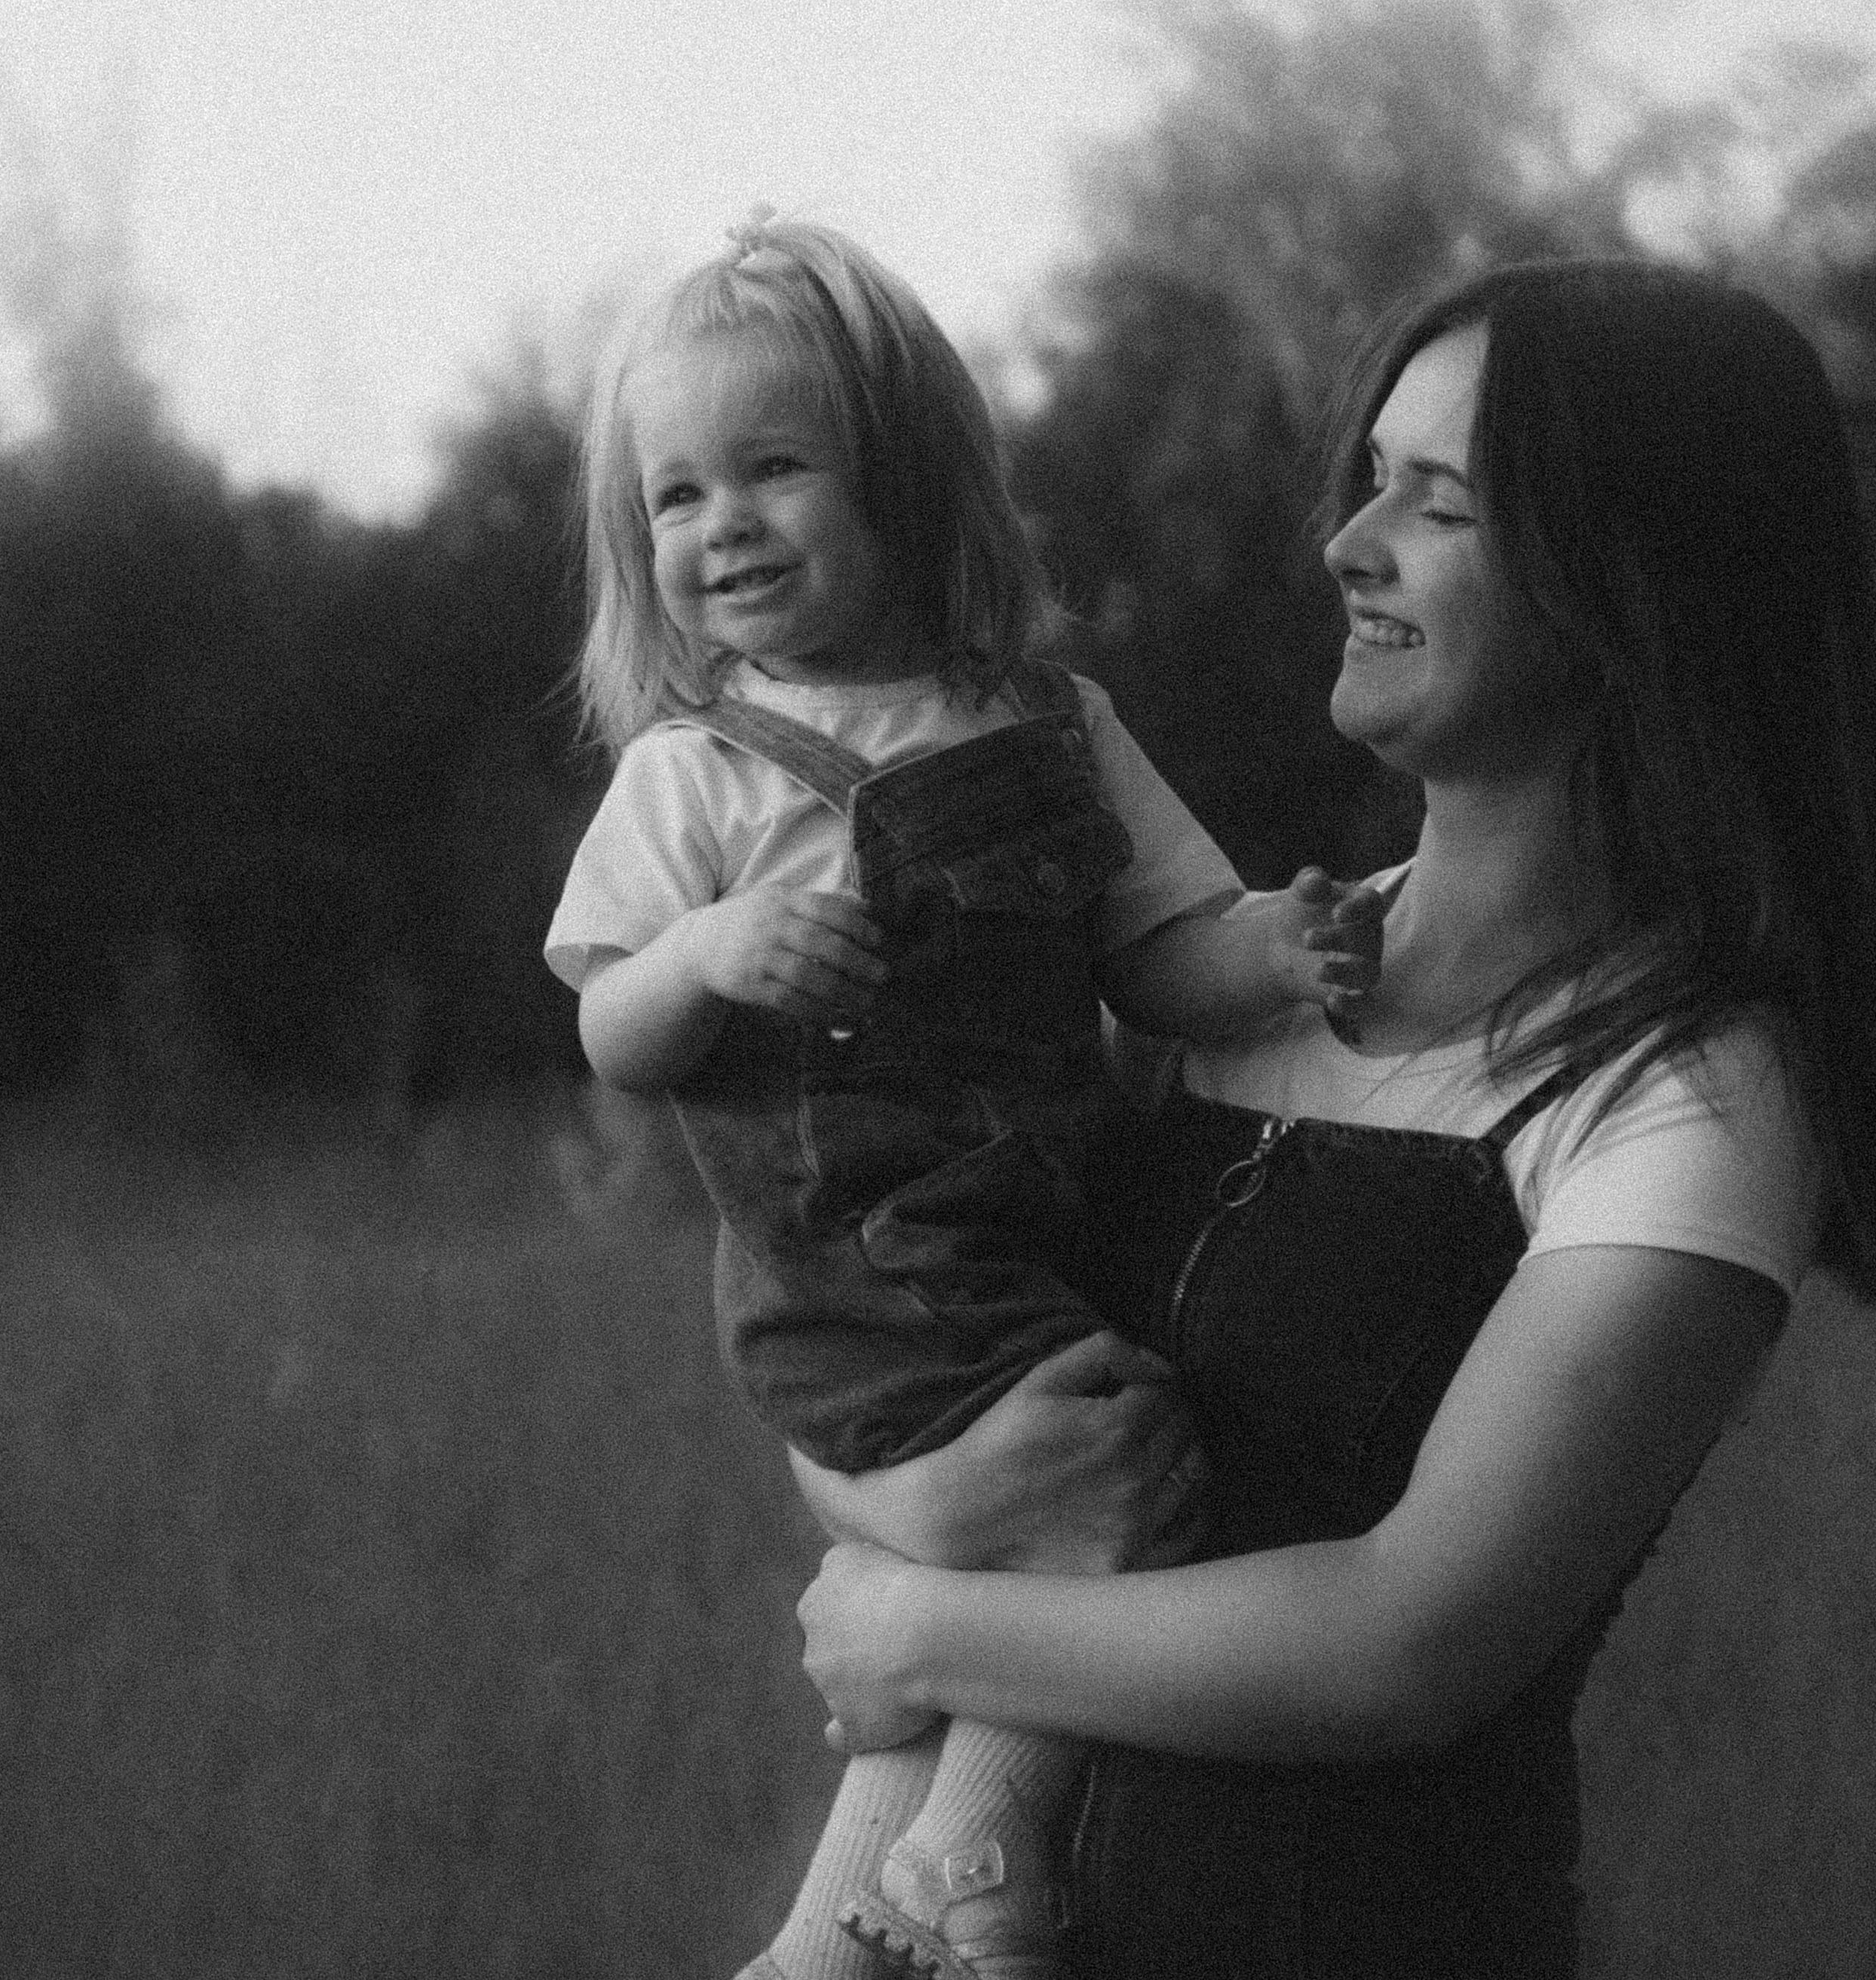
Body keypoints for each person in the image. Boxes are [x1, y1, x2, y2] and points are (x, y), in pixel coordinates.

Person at [786, 257, 1876, 1976]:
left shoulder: (1687, 1093)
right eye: (1370, 483)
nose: (1352, 544)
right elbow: (892, 1330)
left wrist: (919, 1624)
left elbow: (1410, 1643)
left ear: (1643, 587)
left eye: (1444, 505)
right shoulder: (1220, 978)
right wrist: (880, 1511)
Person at [545, 212, 1383, 1980]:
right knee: (1127, 1486)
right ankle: (982, 1852)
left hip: (1028, 1242)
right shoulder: (694, 779)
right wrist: (703, 961)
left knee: (1004, 1587)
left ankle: (830, 1943)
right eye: (676, 498)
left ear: (913, 489)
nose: (724, 526)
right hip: (859, 1274)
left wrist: (1281, 957)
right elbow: (611, 1025)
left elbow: (1164, 948)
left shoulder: (1054, 725)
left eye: (774, 470)